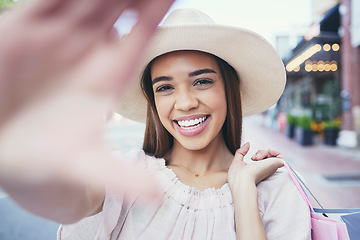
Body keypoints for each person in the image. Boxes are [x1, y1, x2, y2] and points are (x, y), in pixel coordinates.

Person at [0, 1, 311, 240]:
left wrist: (243, 190)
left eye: (202, 81)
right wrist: (29, 167)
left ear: (229, 90)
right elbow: (73, 201)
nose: (186, 102)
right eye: (165, 87)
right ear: (152, 100)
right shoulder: (125, 175)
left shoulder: (273, 188)